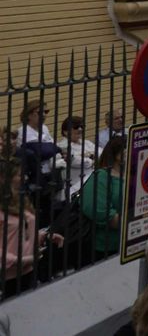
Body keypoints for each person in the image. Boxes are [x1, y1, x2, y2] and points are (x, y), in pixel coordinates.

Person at [1, 157, 64, 297]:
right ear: (5, 178)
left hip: (29, 271)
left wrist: (43, 236)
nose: (24, 177)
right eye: (19, 174)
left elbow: (22, 232)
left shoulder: (21, 199)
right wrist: (22, 260)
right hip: (8, 277)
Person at [79, 134, 126, 259]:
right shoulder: (101, 177)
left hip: (128, 243)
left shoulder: (135, 175)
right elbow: (99, 211)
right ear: (118, 155)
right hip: (103, 247)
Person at [56, 114, 96, 202]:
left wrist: (86, 155)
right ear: (66, 131)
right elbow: (75, 161)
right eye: (76, 127)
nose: (80, 129)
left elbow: (102, 153)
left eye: (82, 126)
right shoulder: (62, 146)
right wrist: (91, 159)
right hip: (76, 187)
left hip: (92, 181)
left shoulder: (87, 143)